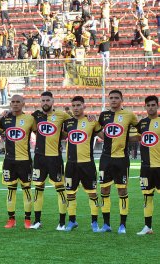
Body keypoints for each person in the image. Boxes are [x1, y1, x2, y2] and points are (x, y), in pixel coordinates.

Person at [97, 90, 138, 233]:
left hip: (121, 159)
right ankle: (106, 224)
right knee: (104, 189)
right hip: (105, 159)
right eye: (111, 98)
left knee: (122, 190)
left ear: (122, 99)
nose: (113, 100)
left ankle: (122, 225)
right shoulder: (103, 115)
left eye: (116, 98)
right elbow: (100, 132)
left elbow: (141, 130)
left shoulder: (129, 115)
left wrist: (129, 139)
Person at [30, 91, 71, 230]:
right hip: (39, 158)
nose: (45, 103)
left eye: (48, 100)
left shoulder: (62, 115)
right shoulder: (36, 115)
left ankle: (61, 222)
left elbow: (74, 124)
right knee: (38, 188)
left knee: (60, 189)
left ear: (53, 101)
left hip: (55, 158)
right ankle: (36, 221)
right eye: (43, 100)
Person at [63, 96, 102, 232]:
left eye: (78, 105)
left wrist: (97, 121)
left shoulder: (91, 122)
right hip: (71, 164)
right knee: (70, 193)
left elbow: (104, 136)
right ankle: (72, 221)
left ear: (84, 106)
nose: (75, 108)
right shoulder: (67, 123)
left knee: (92, 193)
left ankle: (94, 222)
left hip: (87, 164)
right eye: (73, 105)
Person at [0, 95, 36, 229]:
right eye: (13, 102)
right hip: (9, 161)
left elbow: (41, 133)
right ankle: (11, 219)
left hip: (25, 161)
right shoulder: (5, 119)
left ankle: (27, 219)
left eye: (17, 102)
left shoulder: (30, 119)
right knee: (11, 190)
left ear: (23, 104)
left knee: (26, 189)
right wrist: (1, 116)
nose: (15, 104)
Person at [135, 95, 160, 235]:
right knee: (147, 196)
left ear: (157, 105)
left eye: (153, 105)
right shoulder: (142, 124)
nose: (151, 107)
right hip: (145, 167)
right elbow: (135, 137)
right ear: (145, 107)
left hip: (159, 166)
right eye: (148, 105)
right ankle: (148, 227)